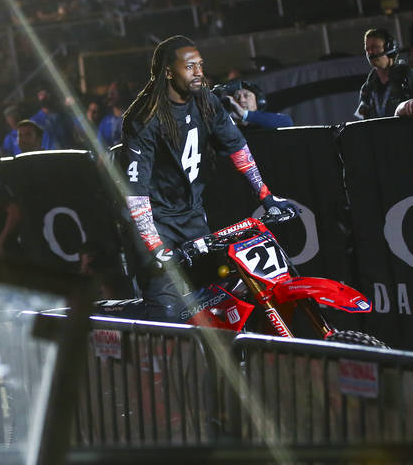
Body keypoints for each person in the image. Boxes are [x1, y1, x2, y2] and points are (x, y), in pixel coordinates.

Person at [121, 35, 297, 321]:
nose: (199, 72)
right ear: (168, 71)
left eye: (200, 65)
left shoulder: (206, 100)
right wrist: (154, 245)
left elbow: (237, 148)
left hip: (191, 214)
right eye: (190, 66)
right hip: (156, 221)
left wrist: (266, 195)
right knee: (167, 311)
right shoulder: (145, 116)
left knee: (217, 299)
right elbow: (135, 187)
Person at [354, 28, 413, 120]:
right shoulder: (367, 88)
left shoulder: (410, 76)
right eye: (367, 49)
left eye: (375, 47)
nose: (370, 52)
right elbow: (362, 120)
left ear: (389, 48)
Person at [221, 80, 294, 129]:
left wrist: (244, 114)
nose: (241, 100)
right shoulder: (229, 126)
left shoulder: (267, 121)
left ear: (258, 101)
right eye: (236, 97)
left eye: (246, 96)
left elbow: (287, 122)